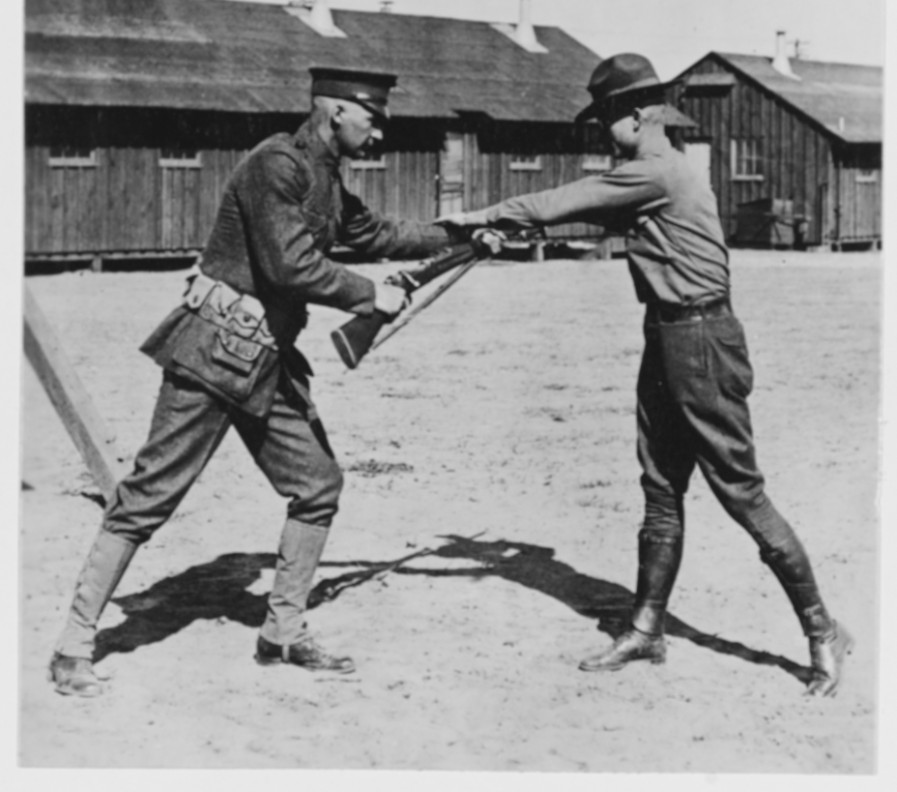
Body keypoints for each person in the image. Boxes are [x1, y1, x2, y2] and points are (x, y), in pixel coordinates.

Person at [439, 53, 852, 697]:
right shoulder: (648, 177)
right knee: (660, 488)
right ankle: (647, 627)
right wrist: (508, 229)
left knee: (740, 492)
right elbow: (588, 212)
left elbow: (564, 201)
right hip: (665, 335)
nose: (604, 133)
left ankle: (824, 630)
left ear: (636, 114)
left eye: (607, 119)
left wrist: (482, 216)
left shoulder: (657, 170)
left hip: (702, 339)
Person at [49, 66, 458, 696]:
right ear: (335, 111)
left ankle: (281, 635)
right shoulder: (278, 165)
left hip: (267, 362)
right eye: (372, 118)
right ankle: (73, 646)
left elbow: (374, 233)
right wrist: (366, 295)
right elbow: (290, 266)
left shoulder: (323, 175)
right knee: (149, 496)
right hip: (212, 355)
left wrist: (467, 231)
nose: (379, 132)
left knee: (318, 485)